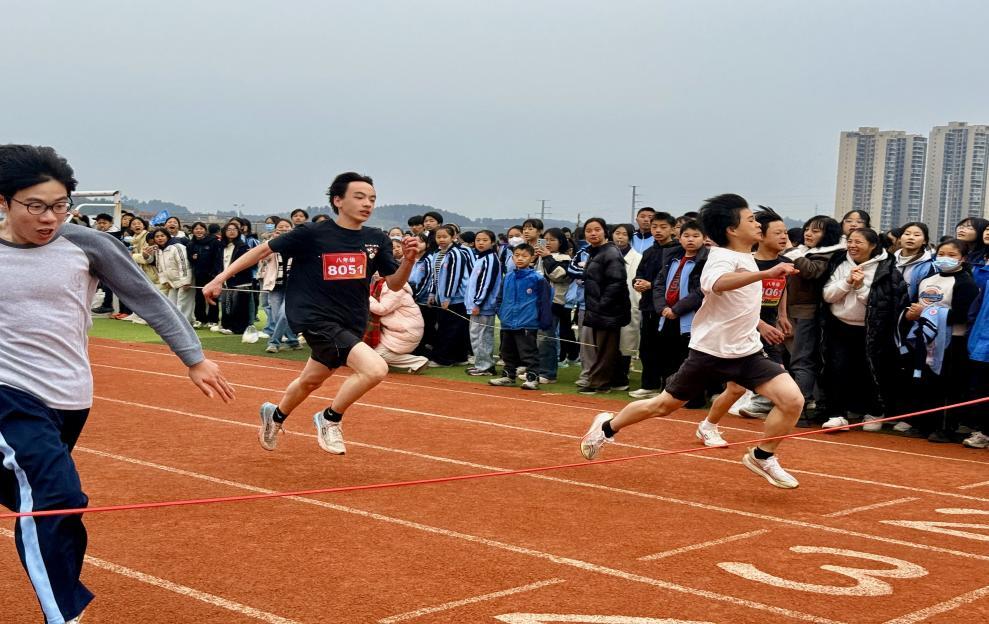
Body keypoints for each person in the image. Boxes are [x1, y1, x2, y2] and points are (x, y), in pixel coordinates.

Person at [0, 144, 233, 624]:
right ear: (4, 202)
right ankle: (63, 614)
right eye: (36, 206)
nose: (50, 217)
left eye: (61, 205)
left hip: (68, 397)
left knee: (51, 502)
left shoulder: (88, 245)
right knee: (53, 496)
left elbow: (147, 299)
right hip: (7, 392)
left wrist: (194, 358)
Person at [580, 194, 804, 489]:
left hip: (748, 352)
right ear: (731, 229)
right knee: (662, 406)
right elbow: (714, 285)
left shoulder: (748, 256)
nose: (757, 224)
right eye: (750, 219)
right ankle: (606, 427)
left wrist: (761, 322)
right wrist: (765, 273)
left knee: (793, 401)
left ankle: (762, 456)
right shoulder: (722, 257)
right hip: (710, 353)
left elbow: (742, 305)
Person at [205, 172, 418, 454]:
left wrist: (410, 261)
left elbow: (394, 282)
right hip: (314, 317)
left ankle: (275, 415)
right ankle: (330, 418)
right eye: (359, 197)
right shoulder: (311, 233)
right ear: (338, 200)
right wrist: (221, 278)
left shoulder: (374, 238)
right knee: (375, 369)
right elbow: (260, 252)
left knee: (310, 381)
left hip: (352, 320)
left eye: (372, 199)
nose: (367, 203)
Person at [820, 228, 907, 432]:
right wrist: (848, 281)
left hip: (872, 330)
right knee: (837, 369)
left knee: (872, 371)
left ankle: (875, 412)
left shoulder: (886, 268)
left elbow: (881, 305)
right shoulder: (840, 263)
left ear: (873, 245)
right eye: (850, 241)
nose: (852, 246)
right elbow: (827, 296)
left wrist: (860, 287)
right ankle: (838, 415)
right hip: (840, 326)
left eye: (858, 242)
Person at [898, 239, 977, 441]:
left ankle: (945, 427)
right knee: (924, 382)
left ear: (963, 258)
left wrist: (926, 312)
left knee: (948, 385)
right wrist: (910, 315)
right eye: (942, 254)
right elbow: (914, 305)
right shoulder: (927, 280)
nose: (945, 258)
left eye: (952, 255)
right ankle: (923, 423)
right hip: (925, 339)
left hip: (952, 341)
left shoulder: (965, 282)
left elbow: (962, 315)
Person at [781, 215, 844, 426]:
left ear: (828, 235)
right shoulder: (804, 251)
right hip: (790, 311)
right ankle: (803, 404)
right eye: (808, 228)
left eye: (816, 231)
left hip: (808, 313)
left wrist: (792, 252)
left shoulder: (830, 254)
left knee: (802, 361)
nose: (808, 233)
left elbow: (811, 272)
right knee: (795, 360)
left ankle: (800, 408)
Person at [735, 207, 793, 419]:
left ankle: (761, 402)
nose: (784, 237)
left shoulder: (785, 263)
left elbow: (783, 287)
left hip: (770, 322)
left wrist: (783, 315)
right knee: (734, 384)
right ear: (762, 236)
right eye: (778, 233)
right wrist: (760, 324)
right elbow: (738, 302)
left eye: (785, 232)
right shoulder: (748, 264)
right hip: (745, 323)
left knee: (775, 364)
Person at [653, 220, 708, 405]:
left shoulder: (706, 261)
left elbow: (701, 291)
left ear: (704, 238)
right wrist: (662, 308)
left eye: (695, 236)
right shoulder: (671, 258)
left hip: (691, 317)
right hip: (667, 316)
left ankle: (693, 398)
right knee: (666, 356)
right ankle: (667, 394)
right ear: (679, 237)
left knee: (688, 359)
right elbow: (659, 285)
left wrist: (677, 309)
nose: (690, 240)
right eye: (686, 236)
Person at [577, 218, 630, 395]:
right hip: (597, 307)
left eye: (597, 229)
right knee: (604, 347)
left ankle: (599, 383)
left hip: (608, 310)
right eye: (589, 230)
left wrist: (602, 305)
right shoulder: (596, 252)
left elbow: (616, 283)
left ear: (605, 232)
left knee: (606, 348)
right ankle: (614, 380)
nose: (593, 233)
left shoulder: (611, 253)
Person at [489, 244, 552, 390]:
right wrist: (502, 313)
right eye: (517, 255)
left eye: (524, 256)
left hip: (527, 323)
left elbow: (545, 301)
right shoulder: (508, 277)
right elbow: (499, 298)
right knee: (507, 351)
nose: (520, 258)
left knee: (528, 352)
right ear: (512, 257)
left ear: (532, 258)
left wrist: (544, 321)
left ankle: (532, 377)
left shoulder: (537, 278)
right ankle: (508, 376)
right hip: (508, 322)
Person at [630, 212, 679, 398]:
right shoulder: (650, 251)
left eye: (663, 227)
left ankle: (667, 388)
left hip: (668, 308)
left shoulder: (678, 251)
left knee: (668, 350)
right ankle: (648, 385)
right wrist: (638, 282)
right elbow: (640, 273)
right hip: (648, 306)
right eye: (654, 227)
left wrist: (651, 285)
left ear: (673, 229)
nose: (658, 230)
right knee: (647, 348)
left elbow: (676, 281)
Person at [426, 224, 471, 367]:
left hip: (455, 299)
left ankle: (444, 359)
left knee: (450, 329)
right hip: (442, 297)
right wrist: (432, 293)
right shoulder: (437, 254)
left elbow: (454, 277)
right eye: (438, 237)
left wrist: (447, 297)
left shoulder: (456, 253)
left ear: (453, 237)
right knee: (451, 328)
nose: (441, 240)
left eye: (445, 236)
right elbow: (435, 276)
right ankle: (459, 357)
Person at [368, 275, 430, 373]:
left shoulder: (395, 289)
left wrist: (366, 296)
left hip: (405, 332)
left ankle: (417, 362)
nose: (375, 274)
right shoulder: (382, 285)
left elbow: (382, 309)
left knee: (377, 355)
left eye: (377, 271)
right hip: (395, 331)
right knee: (368, 352)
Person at [533, 228, 572, 383]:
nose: (548, 243)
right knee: (536, 337)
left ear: (561, 242)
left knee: (547, 337)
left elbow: (559, 275)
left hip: (553, 302)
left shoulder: (565, 258)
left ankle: (548, 373)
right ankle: (535, 370)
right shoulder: (540, 257)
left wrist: (547, 257)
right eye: (545, 239)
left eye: (552, 240)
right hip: (537, 301)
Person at [258, 218, 302, 353]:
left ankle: (273, 343)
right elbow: (263, 258)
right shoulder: (269, 245)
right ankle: (293, 341)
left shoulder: (298, 244)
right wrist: (273, 242)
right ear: (275, 229)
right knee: (278, 316)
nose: (284, 229)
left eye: (287, 226)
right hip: (275, 285)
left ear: (292, 228)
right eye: (281, 227)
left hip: (293, 285)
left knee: (284, 315)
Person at [465, 229, 502, 376]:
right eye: (478, 240)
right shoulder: (480, 258)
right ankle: (480, 363)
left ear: (492, 242)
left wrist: (477, 303)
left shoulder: (490, 259)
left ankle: (485, 366)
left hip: (483, 306)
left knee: (483, 336)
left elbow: (486, 283)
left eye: (485, 240)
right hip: (476, 305)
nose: (480, 243)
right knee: (476, 336)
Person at [610, 223, 642, 391]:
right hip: (608, 305)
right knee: (609, 342)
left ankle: (622, 377)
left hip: (630, 303)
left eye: (624, 234)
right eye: (617, 233)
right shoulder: (607, 255)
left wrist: (636, 304)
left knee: (626, 342)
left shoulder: (637, 258)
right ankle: (609, 375)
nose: (620, 237)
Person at [150, 226, 195, 324]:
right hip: (172, 282)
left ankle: (184, 324)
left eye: (162, 236)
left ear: (167, 236)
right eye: (157, 236)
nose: (160, 238)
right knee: (171, 303)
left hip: (184, 280)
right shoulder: (158, 250)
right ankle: (181, 323)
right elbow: (159, 267)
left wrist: (186, 281)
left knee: (183, 304)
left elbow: (184, 264)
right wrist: (165, 281)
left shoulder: (177, 247)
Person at [216, 221, 254, 335]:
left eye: (234, 229)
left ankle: (239, 328)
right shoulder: (222, 247)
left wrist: (235, 272)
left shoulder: (243, 246)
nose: (231, 231)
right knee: (226, 304)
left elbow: (248, 263)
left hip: (240, 281)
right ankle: (226, 325)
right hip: (226, 281)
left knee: (239, 305)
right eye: (228, 229)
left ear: (239, 232)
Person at [188, 221, 223, 328]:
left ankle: (213, 319)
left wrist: (216, 273)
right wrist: (192, 258)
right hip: (199, 274)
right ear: (193, 231)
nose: (198, 231)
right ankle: (200, 319)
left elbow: (218, 258)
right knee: (199, 297)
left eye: (201, 228)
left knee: (213, 296)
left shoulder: (214, 242)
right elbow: (189, 258)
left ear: (205, 230)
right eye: (196, 229)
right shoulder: (191, 244)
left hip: (212, 275)